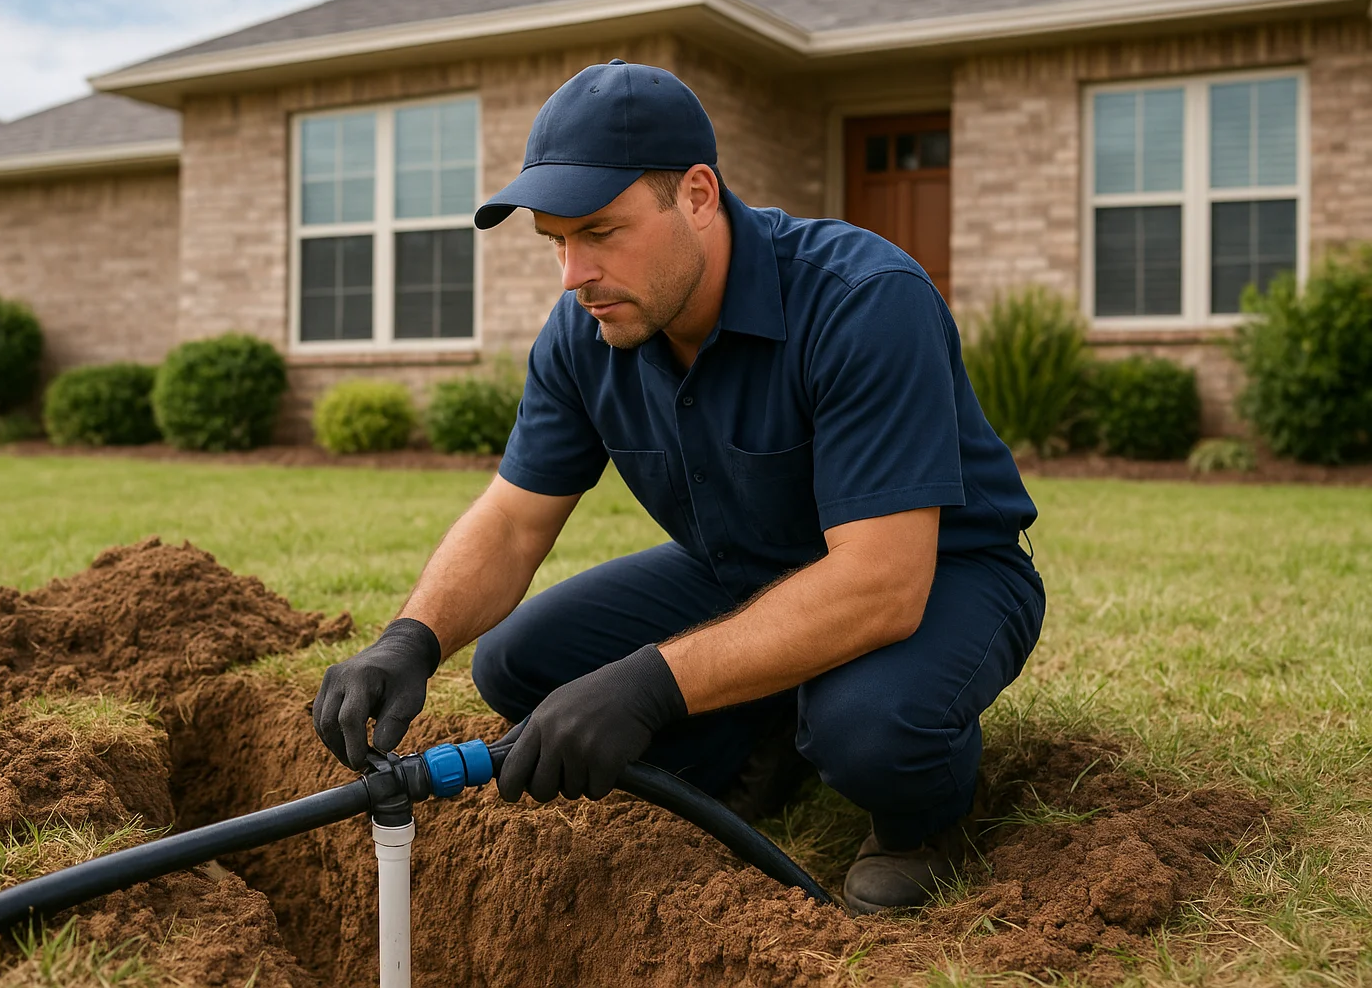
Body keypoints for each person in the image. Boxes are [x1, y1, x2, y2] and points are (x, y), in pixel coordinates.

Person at [312, 59, 1045, 914]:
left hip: (939, 573)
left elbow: (882, 584)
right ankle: (762, 734)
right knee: (520, 664)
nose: (572, 274)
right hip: (744, 566)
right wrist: (411, 639)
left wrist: (651, 684)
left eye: (599, 231)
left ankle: (921, 821)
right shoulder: (585, 333)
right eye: (556, 241)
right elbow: (514, 519)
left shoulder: (862, 300)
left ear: (698, 194)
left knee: (869, 730)